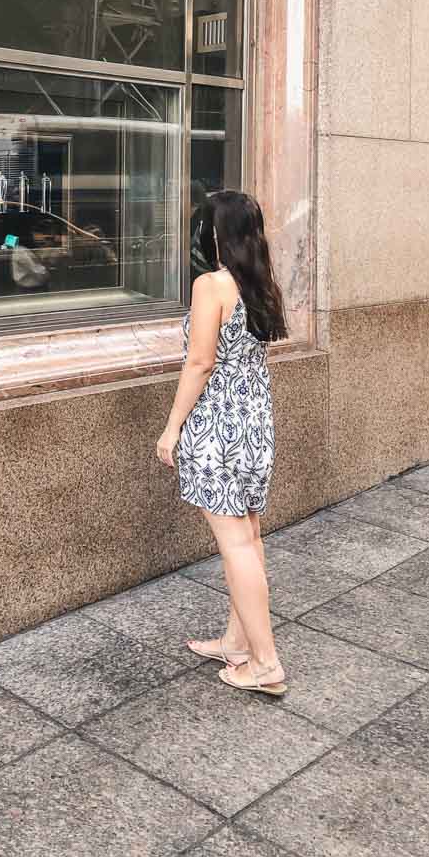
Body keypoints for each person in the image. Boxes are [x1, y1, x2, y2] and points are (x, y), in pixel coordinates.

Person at [156, 190, 289, 696]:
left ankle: (265, 663)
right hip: (255, 424)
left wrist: (172, 429)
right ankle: (238, 640)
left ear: (215, 233)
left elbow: (200, 363)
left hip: (217, 428)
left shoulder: (211, 284)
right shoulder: (260, 283)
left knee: (236, 544)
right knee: (249, 537)